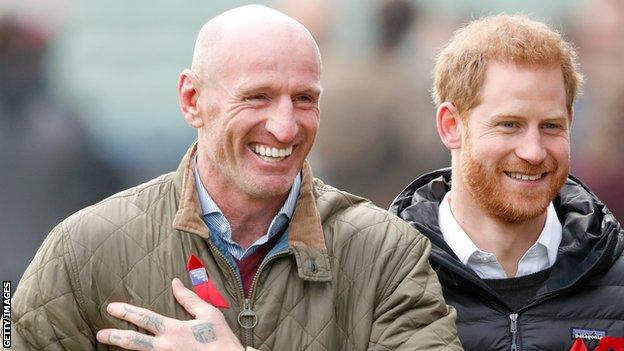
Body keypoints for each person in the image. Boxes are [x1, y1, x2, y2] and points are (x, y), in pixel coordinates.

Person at [10, 5, 462, 351]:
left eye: (304, 98)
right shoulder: (82, 247)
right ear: (192, 100)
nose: (285, 127)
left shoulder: (389, 252)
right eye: (257, 97)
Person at [390, 14, 624, 351]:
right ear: (450, 126)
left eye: (550, 126)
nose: (533, 151)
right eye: (509, 125)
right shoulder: (381, 278)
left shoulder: (614, 274)